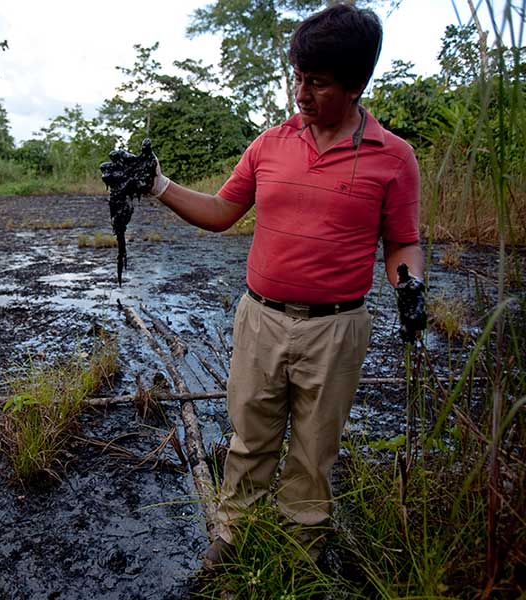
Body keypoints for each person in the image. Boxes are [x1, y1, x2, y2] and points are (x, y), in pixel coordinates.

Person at [147, 3, 426, 568]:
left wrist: (409, 285)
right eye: (298, 76)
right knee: (249, 435)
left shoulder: (394, 158)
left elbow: (402, 241)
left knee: (315, 448)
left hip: (337, 327)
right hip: (261, 317)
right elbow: (224, 210)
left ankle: (300, 550)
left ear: (355, 85)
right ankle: (232, 534)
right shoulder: (270, 143)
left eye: (317, 83)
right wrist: (158, 185)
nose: (301, 92)